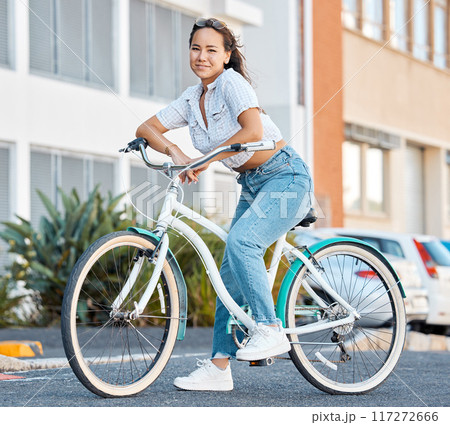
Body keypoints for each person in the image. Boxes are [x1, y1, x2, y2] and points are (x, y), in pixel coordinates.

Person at [136, 17, 313, 391]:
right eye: (196, 48)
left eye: (212, 49)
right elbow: (146, 128)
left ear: (227, 55)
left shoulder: (232, 84)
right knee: (228, 274)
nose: (202, 56)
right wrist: (175, 150)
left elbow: (253, 132)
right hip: (252, 184)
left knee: (242, 243)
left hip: (286, 177)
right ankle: (219, 368)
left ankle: (269, 327)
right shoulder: (191, 98)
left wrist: (204, 159)